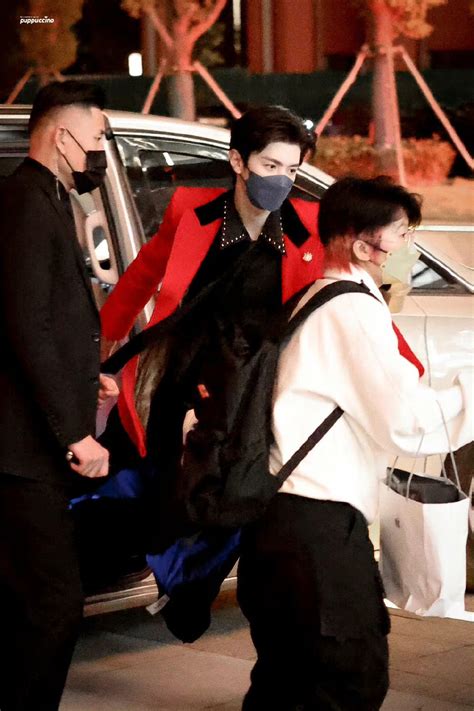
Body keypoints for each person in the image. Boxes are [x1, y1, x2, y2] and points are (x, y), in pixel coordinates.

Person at [237, 176, 473, 711]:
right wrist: (470, 392)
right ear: (362, 244)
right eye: (402, 235)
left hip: (280, 523)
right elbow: (407, 422)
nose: (410, 248)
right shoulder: (352, 311)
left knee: (284, 683)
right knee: (347, 679)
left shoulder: (315, 298)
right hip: (317, 527)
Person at [99, 105, 323, 464]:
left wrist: (403, 365)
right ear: (238, 162)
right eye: (270, 166)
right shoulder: (192, 212)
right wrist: (107, 341)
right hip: (189, 377)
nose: (282, 179)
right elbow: (142, 274)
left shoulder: (307, 225)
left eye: (291, 170)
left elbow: (347, 289)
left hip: (260, 386)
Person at [0, 81, 118, 711]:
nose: (100, 151)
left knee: (27, 601)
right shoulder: (25, 202)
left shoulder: (44, 200)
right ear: (62, 134)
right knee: (53, 605)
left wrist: (83, 377)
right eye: (96, 137)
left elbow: (45, 317)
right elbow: (26, 325)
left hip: (26, 443)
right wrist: (74, 433)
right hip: (21, 451)